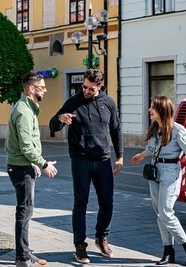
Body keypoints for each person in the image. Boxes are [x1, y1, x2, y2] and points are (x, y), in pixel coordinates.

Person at [49, 68, 122, 264]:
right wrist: (60, 120)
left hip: (104, 160)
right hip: (80, 160)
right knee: (80, 204)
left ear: (99, 86)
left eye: (90, 88)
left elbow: (116, 130)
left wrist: (120, 156)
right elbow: (52, 125)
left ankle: (101, 237)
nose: (86, 91)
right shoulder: (73, 102)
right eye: (84, 87)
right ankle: (80, 246)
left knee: (107, 203)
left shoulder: (108, 103)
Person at [131, 96, 186, 266]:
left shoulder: (177, 130)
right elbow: (152, 147)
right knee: (160, 214)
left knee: (165, 212)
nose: (149, 110)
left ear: (162, 110)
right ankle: (168, 251)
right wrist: (142, 155)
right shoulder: (155, 128)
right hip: (155, 171)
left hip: (170, 173)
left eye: (152, 108)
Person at [6, 72, 57, 267]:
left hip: (24, 165)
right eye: (41, 87)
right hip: (20, 167)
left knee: (26, 210)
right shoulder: (24, 111)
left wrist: (35, 163)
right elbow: (26, 145)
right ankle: (22, 257)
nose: (44, 90)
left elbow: (26, 145)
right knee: (25, 211)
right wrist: (43, 164)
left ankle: (24, 252)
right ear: (30, 89)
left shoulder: (29, 108)